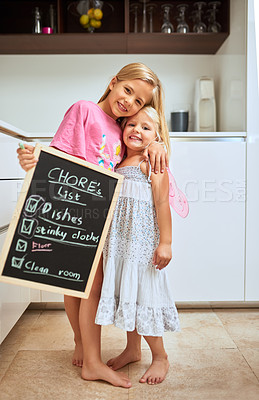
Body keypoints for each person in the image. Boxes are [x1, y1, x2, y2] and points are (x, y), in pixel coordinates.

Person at [17, 63, 169, 388]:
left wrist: (158, 144)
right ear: (113, 82)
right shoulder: (85, 109)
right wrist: (36, 159)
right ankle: (88, 352)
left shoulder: (121, 129)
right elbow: (60, 153)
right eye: (128, 90)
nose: (130, 102)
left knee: (89, 287)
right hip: (73, 210)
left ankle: (89, 352)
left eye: (139, 101)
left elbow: (139, 156)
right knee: (78, 284)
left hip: (101, 218)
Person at [95, 106, 180, 385]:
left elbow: (162, 203)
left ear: (157, 136)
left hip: (143, 248)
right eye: (132, 124)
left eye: (146, 128)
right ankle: (132, 349)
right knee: (128, 294)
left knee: (144, 296)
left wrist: (165, 243)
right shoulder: (117, 163)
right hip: (120, 245)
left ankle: (160, 356)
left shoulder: (150, 164)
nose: (137, 131)